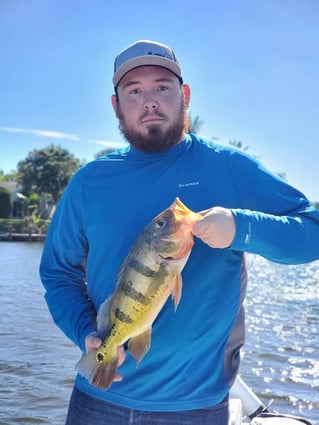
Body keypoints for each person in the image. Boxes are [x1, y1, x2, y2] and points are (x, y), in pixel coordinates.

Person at [39, 40, 319, 425]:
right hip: (97, 401)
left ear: (184, 95)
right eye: (134, 91)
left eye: (162, 87)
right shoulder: (89, 182)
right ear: (116, 105)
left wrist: (242, 228)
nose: (149, 101)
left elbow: (312, 232)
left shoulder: (230, 167)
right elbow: (58, 274)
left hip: (195, 407)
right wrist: (85, 330)